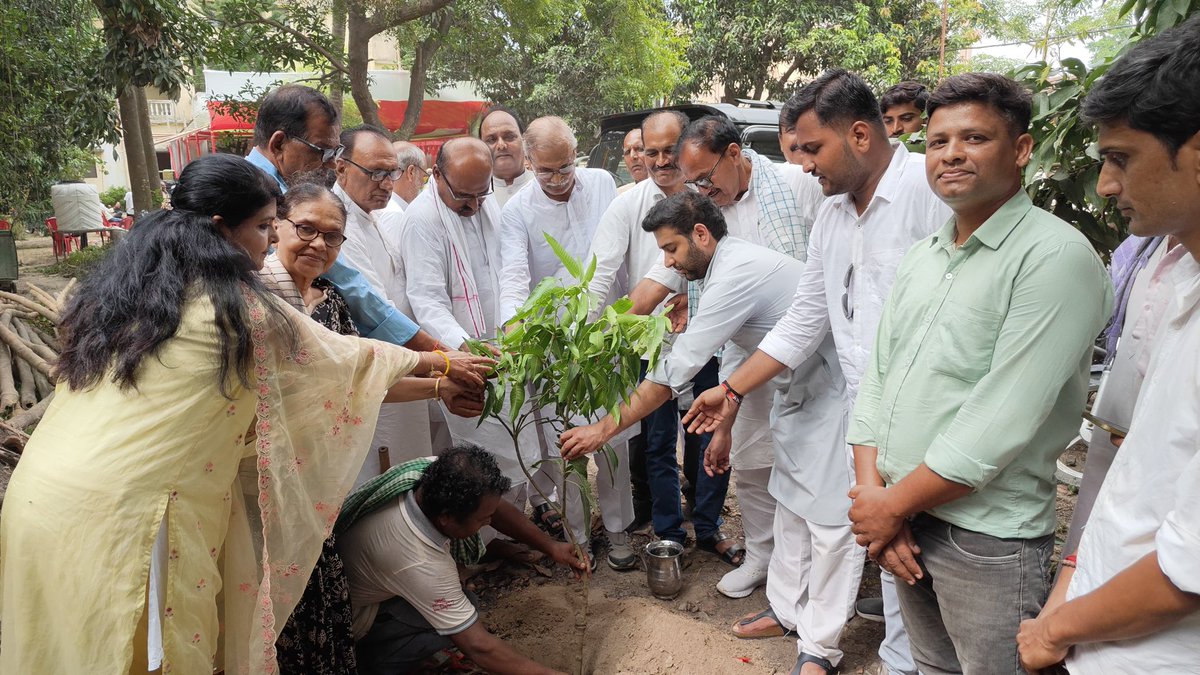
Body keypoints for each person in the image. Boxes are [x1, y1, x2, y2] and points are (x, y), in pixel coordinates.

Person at [0, 154, 491, 674]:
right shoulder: (238, 307)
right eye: (263, 226)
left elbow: (329, 378)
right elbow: (343, 358)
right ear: (222, 229)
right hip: (132, 515)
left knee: (67, 645)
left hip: (43, 497)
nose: (267, 239)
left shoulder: (129, 293)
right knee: (139, 650)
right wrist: (441, 359)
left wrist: (436, 383)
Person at [844, 73, 1112, 674]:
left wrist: (888, 508)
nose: (951, 155)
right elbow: (878, 381)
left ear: (1020, 149)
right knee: (932, 666)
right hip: (902, 520)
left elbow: (1002, 418)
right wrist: (874, 500)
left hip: (987, 535)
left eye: (974, 138)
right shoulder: (925, 255)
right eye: (937, 142)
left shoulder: (1053, 257)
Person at [687, 69, 949, 674]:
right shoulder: (834, 214)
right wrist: (731, 389)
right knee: (871, 527)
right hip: (857, 402)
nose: (803, 166)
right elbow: (806, 318)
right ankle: (831, 636)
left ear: (860, 134)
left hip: (923, 407)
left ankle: (877, 655)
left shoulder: (925, 194)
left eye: (811, 149)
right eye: (795, 152)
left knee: (892, 536)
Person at [560, 193, 846, 624]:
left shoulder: (734, 274)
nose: (669, 262)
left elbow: (673, 372)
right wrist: (726, 422)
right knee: (781, 489)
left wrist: (602, 429)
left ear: (701, 235)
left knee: (823, 508)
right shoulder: (716, 271)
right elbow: (732, 352)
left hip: (827, 384)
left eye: (670, 248)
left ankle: (818, 622)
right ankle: (783, 590)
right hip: (790, 382)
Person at [1017, 16, 1200, 672]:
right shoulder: (1174, 272)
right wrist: (1068, 590)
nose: (1105, 185)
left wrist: (1054, 628)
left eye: (1122, 158)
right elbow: (1128, 472)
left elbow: (1185, 572)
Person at [263, 182, 482, 674]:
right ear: (276, 224)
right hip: (271, 480)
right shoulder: (259, 301)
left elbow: (361, 383)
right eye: (305, 229)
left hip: (321, 477)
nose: (318, 244)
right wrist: (439, 367)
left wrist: (441, 388)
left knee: (318, 591)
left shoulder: (332, 301)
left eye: (332, 237)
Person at [636, 114, 826, 600]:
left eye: (705, 177)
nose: (700, 187)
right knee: (749, 460)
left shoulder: (793, 185)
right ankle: (765, 557)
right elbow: (677, 280)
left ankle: (801, 575)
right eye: (691, 180)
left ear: (735, 155)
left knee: (802, 473)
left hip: (807, 355)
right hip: (744, 351)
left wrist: (606, 425)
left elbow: (824, 262)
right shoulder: (707, 221)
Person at [585, 110, 736, 566]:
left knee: (707, 433)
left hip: (707, 337)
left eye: (669, 150)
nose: (660, 160)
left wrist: (692, 298)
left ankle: (708, 527)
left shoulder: (710, 197)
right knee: (655, 441)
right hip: (644, 341)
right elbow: (599, 276)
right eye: (650, 151)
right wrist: (588, 334)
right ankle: (668, 532)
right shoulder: (627, 205)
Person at [497, 115, 636, 568]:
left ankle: (617, 532)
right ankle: (577, 536)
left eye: (566, 167)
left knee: (613, 442)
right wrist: (514, 330)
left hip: (609, 333)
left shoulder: (599, 183)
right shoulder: (516, 211)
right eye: (547, 171)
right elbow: (514, 277)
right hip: (559, 346)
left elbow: (622, 252)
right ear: (528, 162)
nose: (559, 179)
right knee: (568, 445)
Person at [338, 445, 585, 675]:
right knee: (464, 608)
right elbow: (478, 647)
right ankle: (377, 659)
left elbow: (493, 508)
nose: (488, 522)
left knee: (458, 600)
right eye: (482, 519)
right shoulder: (421, 562)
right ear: (446, 518)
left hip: (367, 577)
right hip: (351, 621)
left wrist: (552, 547)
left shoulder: (432, 476)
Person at [244, 84, 446, 354]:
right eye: (322, 152)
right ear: (279, 144)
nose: (329, 165)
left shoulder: (281, 191)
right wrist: (435, 351)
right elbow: (350, 283)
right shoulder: (258, 196)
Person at [402, 137, 542, 505]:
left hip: (504, 344)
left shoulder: (486, 203)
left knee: (517, 440)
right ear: (437, 176)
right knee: (480, 450)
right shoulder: (422, 218)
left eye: (483, 194)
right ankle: (486, 541)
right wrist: (467, 351)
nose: (476, 205)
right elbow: (426, 299)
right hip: (464, 352)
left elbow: (508, 270)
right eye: (465, 196)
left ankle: (514, 528)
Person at [332, 125, 438, 482]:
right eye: (374, 173)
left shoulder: (373, 214)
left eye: (390, 173)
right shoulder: (336, 223)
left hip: (407, 360)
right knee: (383, 473)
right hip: (380, 367)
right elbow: (372, 305)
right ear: (340, 168)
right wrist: (439, 355)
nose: (386, 184)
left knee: (414, 465)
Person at [479, 106, 534, 207]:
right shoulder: (474, 196)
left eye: (509, 137)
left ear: (524, 140)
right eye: (491, 140)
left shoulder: (544, 186)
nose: (501, 145)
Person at [383, 140, 429, 213]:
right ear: (411, 172)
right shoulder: (394, 212)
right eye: (424, 177)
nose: (423, 184)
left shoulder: (381, 205)